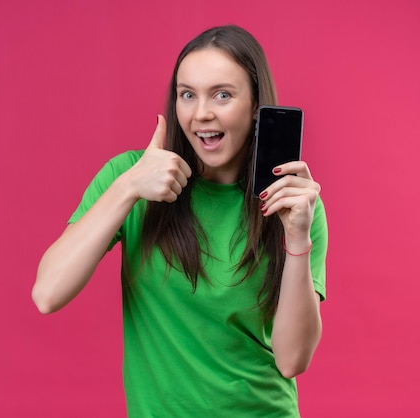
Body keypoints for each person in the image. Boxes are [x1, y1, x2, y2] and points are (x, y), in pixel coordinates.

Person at [33, 25, 328, 417]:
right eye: (187, 94)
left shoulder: (294, 203)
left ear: (257, 106)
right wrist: (128, 188)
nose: (201, 113)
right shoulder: (130, 179)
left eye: (222, 95)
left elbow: (292, 360)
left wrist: (296, 237)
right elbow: (48, 293)